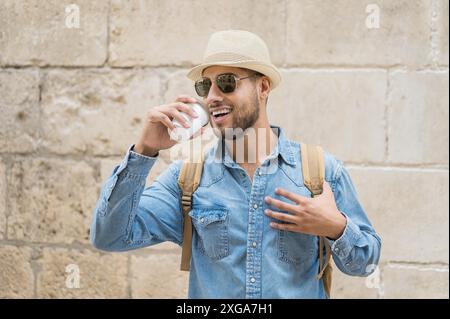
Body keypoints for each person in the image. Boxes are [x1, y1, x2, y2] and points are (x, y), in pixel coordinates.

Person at [90, 30, 381, 298]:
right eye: (205, 86)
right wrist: (145, 150)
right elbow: (109, 237)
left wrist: (336, 227)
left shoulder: (320, 172)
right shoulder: (187, 178)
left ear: (263, 87)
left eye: (227, 82)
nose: (213, 96)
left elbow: (365, 264)